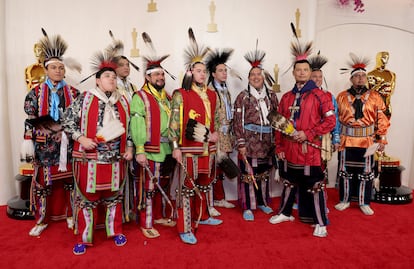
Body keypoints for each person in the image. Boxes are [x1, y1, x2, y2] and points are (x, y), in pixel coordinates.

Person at [63, 48, 133, 255]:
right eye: (107, 76)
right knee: (87, 199)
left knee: (114, 197)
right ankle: (84, 238)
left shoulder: (122, 101)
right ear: (97, 80)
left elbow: (127, 129)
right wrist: (81, 138)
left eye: (113, 76)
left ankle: (115, 231)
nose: (111, 79)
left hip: (115, 159)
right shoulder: (84, 99)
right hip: (89, 159)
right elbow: (66, 121)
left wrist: (129, 147)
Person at [268, 39, 336, 238]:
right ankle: (285, 212)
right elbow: (278, 125)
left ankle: (321, 222)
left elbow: (330, 122)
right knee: (289, 182)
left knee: (315, 186)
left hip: (310, 151)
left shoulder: (321, 96)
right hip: (289, 150)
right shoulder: (287, 97)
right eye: (298, 70)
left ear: (309, 71)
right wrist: (279, 146)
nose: (302, 73)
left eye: (305, 70)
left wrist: (309, 133)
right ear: (294, 72)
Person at [24, 30, 80, 237]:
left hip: (68, 147)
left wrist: (66, 131)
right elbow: (30, 120)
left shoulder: (74, 94)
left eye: (61, 67)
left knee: (71, 183)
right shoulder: (35, 94)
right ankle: (41, 219)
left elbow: (79, 120)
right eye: (54, 67)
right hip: (44, 147)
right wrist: (28, 143)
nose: (58, 71)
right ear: (46, 70)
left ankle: (72, 215)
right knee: (43, 186)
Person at [169, 28, 222, 245]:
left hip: (208, 149)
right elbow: (173, 123)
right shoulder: (181, 94)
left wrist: (216, 133)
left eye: (204, 71)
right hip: (188, 148)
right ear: (190, 72)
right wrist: (175, 146)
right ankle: (185, 227)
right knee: (186, 188)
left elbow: (217, 119)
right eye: (198, 71)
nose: (202, 74)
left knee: (204, 183)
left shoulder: (212, 94)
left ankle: (204, 216)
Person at [130, 32, 176, 239]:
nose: (160, 78)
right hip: (150, 150)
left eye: (162, 75)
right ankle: (146, 223)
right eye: (156, 75)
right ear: (147, 77)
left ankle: (158, 216)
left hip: (167, 149)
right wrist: (139, 149)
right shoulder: (140, 97)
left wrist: (176, 147)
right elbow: (137, 124)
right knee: (148, 188)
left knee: (162, 184)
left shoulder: (166, 97)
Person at [335, 53, 390, 216]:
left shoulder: (375, 97)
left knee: (366, 173)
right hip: (346, 140)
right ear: (351, 79)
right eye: (357, 76)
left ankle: (364, 201)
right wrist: (335, 138)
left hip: (367, 140)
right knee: (345, 171)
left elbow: (382, 117)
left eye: (363, 76)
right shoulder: (341, 97)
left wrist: (382, 137)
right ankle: (344, 200)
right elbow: (336, 120)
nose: (360, 79)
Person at [233, 45, 278, 221]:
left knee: (264, 173)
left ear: (263, 77)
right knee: (248, 174)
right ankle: (247, 206)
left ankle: (262, 202)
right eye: (253, 75)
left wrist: (276, 141)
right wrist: (241, 143)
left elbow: (277, 119)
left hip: (267, 142)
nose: (256, 77)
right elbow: (238, 122)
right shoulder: (243, 97)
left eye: (259, 75)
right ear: (249, 78)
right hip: (249, 142)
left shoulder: (272, 96)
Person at [205, 48, 237, 217]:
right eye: (221, 70)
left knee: (221, 167)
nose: (224, 73)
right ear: (213, 73)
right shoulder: (210, 91)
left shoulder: (225, 90)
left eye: (226, 70)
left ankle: (219, 198)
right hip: (215, 134)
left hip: (226, 134)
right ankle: (210, 202)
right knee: (211, 169)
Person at [367, 51, 396, 119]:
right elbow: (369, 92)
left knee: (385, 124)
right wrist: (381, 86)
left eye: (387, 58)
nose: (385, 61)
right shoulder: (371, 74)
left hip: (387, 104)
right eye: (383, 58)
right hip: (375, 105)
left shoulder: (391, 75)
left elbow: (391, 91)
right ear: (378, 58)